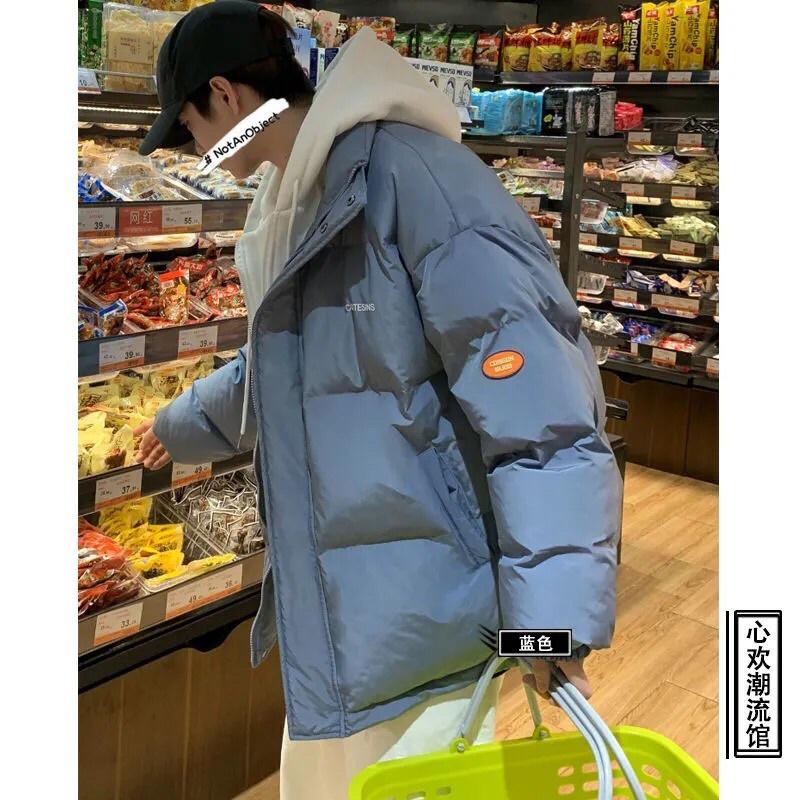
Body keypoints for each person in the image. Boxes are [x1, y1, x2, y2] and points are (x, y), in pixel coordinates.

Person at [136, 2, 622, 796]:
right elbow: (298, 363)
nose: (195, 149)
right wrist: (180, 423)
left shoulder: (421, 184)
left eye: (189, 126)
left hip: (424, 623)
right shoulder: (299, 195)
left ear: (224, 97)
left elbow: (546, 417)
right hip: (341, 618)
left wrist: (552, 623)